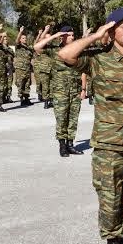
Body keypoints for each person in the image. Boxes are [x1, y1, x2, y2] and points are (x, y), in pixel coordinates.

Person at [57, 7, 123, 244]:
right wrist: (95, 35)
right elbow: (65, 54)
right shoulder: (98, 59)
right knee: (110, 193)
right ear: (112, 32)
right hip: (109, 141)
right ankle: (113, 243)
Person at [36, 26, 86, 157]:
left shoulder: (77, 50)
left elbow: (83, 71)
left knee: (73, 118)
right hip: (60, 91)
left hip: (75, 90)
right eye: (69, 35)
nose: (72, 37)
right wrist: (54, 36)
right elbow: (37, 47)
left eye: (73, 35)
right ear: (62, 37)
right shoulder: (54, 50)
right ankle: (62, 146)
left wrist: (83, 89)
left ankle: (70, 145)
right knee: (62, 118)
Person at [13, 27, 35, 106]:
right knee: (20, 84)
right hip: (20, 69)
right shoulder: (18, 47)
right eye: (23, 38)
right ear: (20, 39)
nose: (25, 39)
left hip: (27, 69)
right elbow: (16, 40)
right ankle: (21, 99)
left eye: (25, 38)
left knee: (27, 84)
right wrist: (20, 32)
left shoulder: (28, 48)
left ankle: (26, 98)